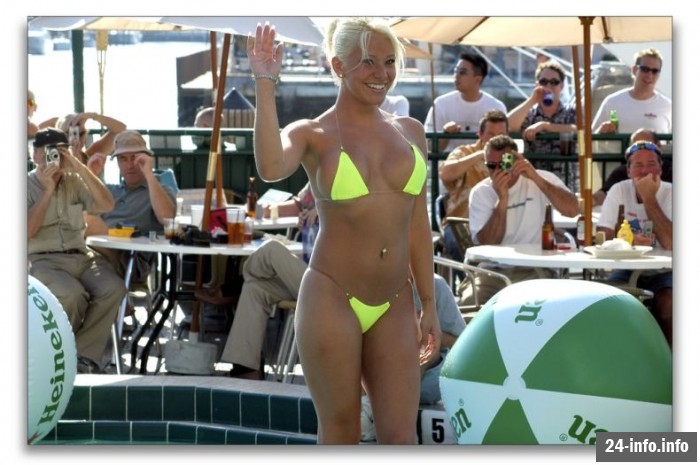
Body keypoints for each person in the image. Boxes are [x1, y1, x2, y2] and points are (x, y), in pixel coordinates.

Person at [248, 18, 440, 444]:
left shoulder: (410, 131)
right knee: (340, 434)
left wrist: (428, 302)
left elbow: (417, 225)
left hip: (395, 300)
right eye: (368, 61)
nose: (381, 73)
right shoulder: (311, 133)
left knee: (401, 437)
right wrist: (264, 82)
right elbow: (270, 167)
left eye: (389, 62)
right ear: (338, 65)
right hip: (332, 297)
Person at [27, 127, 126, 374]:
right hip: (43, 260)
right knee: (71, 294)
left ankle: (80, 357)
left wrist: (80, 167)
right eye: (48, 152)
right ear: (35, 154)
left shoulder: (75, 180)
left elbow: (107, 205)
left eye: (60, 151)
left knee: (113, 288)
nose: (54, 157)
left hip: (81, 255)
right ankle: (58, 357)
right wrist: (47, 190)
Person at [464, 134, 579, 304]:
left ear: (517, 160)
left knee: (540, 305)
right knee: (468, 303)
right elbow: (488, 242)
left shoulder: (540, 178)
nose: (498, 171)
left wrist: (534, 177)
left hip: (534, 269)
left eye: (505, 164)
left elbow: (572, 210)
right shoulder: (481, 192)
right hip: (492, 271)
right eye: (491, 166)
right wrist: (502, 200)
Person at [220, 183, 316, 380]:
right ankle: (246, 370)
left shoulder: (351, 176)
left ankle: (231, 287)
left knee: (271, 249)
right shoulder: (319, 174)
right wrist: (307, 220)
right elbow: (299, 204)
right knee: (255, 288)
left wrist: (324, 213)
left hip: (334, 285)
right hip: (309, 273)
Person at [596, 140, 672, 346]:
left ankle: (670, 360)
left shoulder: (672, 192)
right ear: (628, 171)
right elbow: (603, 235)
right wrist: (626, 240)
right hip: (626, 267)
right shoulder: (618, 190)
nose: (645, 170)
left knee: (668, 305)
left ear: (660, 169)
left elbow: (670, 243)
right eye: (638, 165)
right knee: (604, 301)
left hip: (665, 270)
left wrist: (649, 199)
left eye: (651, 164)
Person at [86, 130, 177, 281]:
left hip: (130, 261)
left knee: (87, 220)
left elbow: (167, 218)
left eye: (135, 158)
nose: (129, 165)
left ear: (146, 159)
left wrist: (149, 174)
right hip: (96, 256)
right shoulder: (110, 191)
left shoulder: (160, 191)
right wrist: (91, 175)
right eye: (123, 159)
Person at [438, 110, 509, 261]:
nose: (496, 139)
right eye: (491, 134)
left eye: (501, 134)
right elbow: (445, 173)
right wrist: (481, 154)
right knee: (458, 246)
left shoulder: (510, 158)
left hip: (497, 222)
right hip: (461, 222)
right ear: (480, 134)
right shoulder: (464, 152)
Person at [507, 60, 577, 190]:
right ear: (537, 85)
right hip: (534, 183)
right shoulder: (529, 114)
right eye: (544, 82)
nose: (549, 86)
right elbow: (507, 126)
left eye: (554, 82)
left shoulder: (570, 112)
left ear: (561, 86)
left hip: (564, 183)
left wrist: (545, 126)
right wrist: (531, 101)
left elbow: (581, 130)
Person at [424, 52, 507, 154]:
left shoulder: (496, 107)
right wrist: (445, 134)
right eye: (456, 71)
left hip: (482, 163)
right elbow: (429, 145)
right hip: (449, 162)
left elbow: (503, 145)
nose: (456, 76)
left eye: (462, 72)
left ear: (478, 79)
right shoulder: (440, 104)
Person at [592, 48, 672, 136]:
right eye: (645, 69)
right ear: (634, 70)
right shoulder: (613, 102)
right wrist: (601, 131)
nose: (649, 75)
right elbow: (592, 138)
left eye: (655, 71)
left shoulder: (668, 107)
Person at [593, 128, 672, 206]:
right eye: (636, 146)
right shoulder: (622, 171)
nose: (642, 150)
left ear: (659, 146)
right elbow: (605, 193)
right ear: (628, 172)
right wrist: (593, 199)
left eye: (647, 145)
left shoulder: (671, 171)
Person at [56, 111, 127, 165]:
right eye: (71, 134)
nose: (77, 139)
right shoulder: (56, 160)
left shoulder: (90, 156)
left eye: (81, 134)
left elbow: (121, 130)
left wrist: (91, 116)